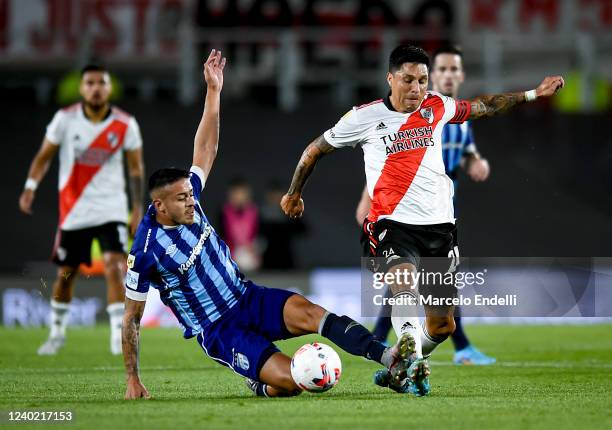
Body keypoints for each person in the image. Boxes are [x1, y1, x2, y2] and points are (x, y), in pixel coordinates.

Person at [122, 50, 413, 400]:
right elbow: (132, 319)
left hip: (247, 297)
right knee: (290, 383)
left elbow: (206, 149)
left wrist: (214, 91)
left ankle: (390, 357)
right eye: (181, 198)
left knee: (312, 313)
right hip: (220, 329)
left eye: (189, 193)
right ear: (159, 206)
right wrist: (132, 379)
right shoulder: (146, 250)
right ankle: (259, 380)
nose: (190, 200)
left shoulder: (191, 198)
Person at [280, 44, 564, 396]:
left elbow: (485, 106)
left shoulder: (436, 106)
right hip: (390, 224)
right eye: (408, 80)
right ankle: (410, 354)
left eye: (422, 80)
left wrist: (534, 93)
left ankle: (403, 360)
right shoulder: (363, 118)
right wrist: (294, 192)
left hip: (440, 229)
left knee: (442, 325)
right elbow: (315, 149)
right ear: (390, 78)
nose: (416, 88)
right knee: (402, 278)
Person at [355, 46, 496, 366]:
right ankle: (413, 351)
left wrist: (476, 161)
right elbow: (390, 159)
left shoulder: (455, 116)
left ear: (460, 75)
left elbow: (465, 151)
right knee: (403, 279)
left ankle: (389, 342)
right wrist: (369, 197)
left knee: (435, 305)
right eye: (442, 69)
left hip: (441, 217)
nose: (447, 75)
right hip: (399, 213)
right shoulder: (412, 109)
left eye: (452, 69)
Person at [19, 64, 144, 356]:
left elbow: (136, 169)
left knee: (115, 267)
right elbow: (43, 157)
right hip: (75, 211)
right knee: (67, 273)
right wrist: (29, 187)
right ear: (82, 88)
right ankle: (57, 333)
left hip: (112, 208)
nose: (96, 88)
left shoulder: (126, 124)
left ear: (109, 88)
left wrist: (136, 208)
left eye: (101, 82)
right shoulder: (65, 120)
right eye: (90, 83)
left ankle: (117, 335)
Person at [259, 180, 306, 270]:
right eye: (272, 196)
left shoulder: (290, 213)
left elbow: (303, 229)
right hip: (267, 261)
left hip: (287, 260)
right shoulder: (262, 215)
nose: (275, 198)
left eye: (277, 195)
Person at [219, 177, 260, 271]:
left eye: (242, 193)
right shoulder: (224, 212)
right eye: (236, 193)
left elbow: (257, 235)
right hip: (230, 253)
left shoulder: (253, 211)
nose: (239, 196)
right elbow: (222, 236)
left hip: (250, 252)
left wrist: (252, 248)